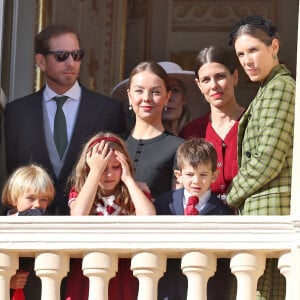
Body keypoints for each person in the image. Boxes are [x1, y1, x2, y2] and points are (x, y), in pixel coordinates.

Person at [4, 24, 126, 216]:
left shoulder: (109, 110)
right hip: (31, 229)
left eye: (77, 55)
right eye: (62, 56)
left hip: (87, 228)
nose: (71, 63)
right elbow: (12, 173)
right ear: (41, 61)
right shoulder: (17, 112)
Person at [227, 15, 295, 300]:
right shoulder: (268, 89)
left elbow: (268, 157)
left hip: (270, 213)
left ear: (274, 47)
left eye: (253, 50)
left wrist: (230, 195)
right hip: (261, 215)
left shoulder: (280, 87)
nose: (247, 61)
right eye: (241, 54)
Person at [65, 132, 156, 300]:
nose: (109, 174)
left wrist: (128, 179)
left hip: (124, 269)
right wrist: (94, 171)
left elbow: (149, 218)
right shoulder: (80, 191)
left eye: (115, 167)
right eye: (103, 168)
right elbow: (78, 216)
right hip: (88, 267)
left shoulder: (137, 191)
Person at [155, 138, 233, 300]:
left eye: (203, 174)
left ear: (214, 175)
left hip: (206, 289)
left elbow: (224, 263)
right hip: (168, 288)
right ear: (179, 175)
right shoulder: (164, 204)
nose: (196, 181)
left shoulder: (223, 212)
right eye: (190, 174)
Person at [180, 46, 246, 201]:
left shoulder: (254, 122)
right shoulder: (190, 132)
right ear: (199, 85)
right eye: (206, 80)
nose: (214, 85)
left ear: (235, 77)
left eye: (220, 76)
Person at [111, 61, 185, 198]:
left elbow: (179, 207)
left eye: (155, 92)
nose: (146, 98)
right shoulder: (114, 143)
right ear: (129, 96)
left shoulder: (180, 148)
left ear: (167, 97)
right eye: (139, 91)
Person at [111, 61, 209, 136]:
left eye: (175, 90)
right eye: (157, 92)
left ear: (183, 99)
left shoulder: (198, 139)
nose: (169, 98)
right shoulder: (124, 142)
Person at [1, 164, 55, 300]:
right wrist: (8, 281)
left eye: (44, 199)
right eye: (30, 198)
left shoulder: (49, 223)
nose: (37, 204)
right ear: (14, 198)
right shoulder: (3, 224)